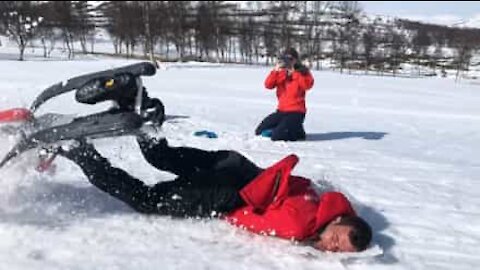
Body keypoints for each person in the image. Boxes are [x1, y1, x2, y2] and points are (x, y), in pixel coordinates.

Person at [55, 104, 372, 253]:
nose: (330, 247)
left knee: (160, 156)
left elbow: (292, 184)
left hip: (237, 166)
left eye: (336, 249)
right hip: (226, 192)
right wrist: (308, 243)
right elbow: (248, 220)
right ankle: (75, 149)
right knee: (146, 199)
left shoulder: (323, 197)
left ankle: (137, 106)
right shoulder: (301, 225)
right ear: (341, 220)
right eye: (335, 239)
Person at [255, 48, 314, 141]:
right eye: (285, 58)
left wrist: (295, 72)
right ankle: (295, 129)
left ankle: (295, 132)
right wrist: (275, 71)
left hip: (296, 112)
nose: (288, 61)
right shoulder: (281, 72)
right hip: (281, 111)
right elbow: (268, 85)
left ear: (296, 60)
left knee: (277, 136)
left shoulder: (302, 72)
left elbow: (307, 85)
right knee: (260, 131)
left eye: (291, 59)